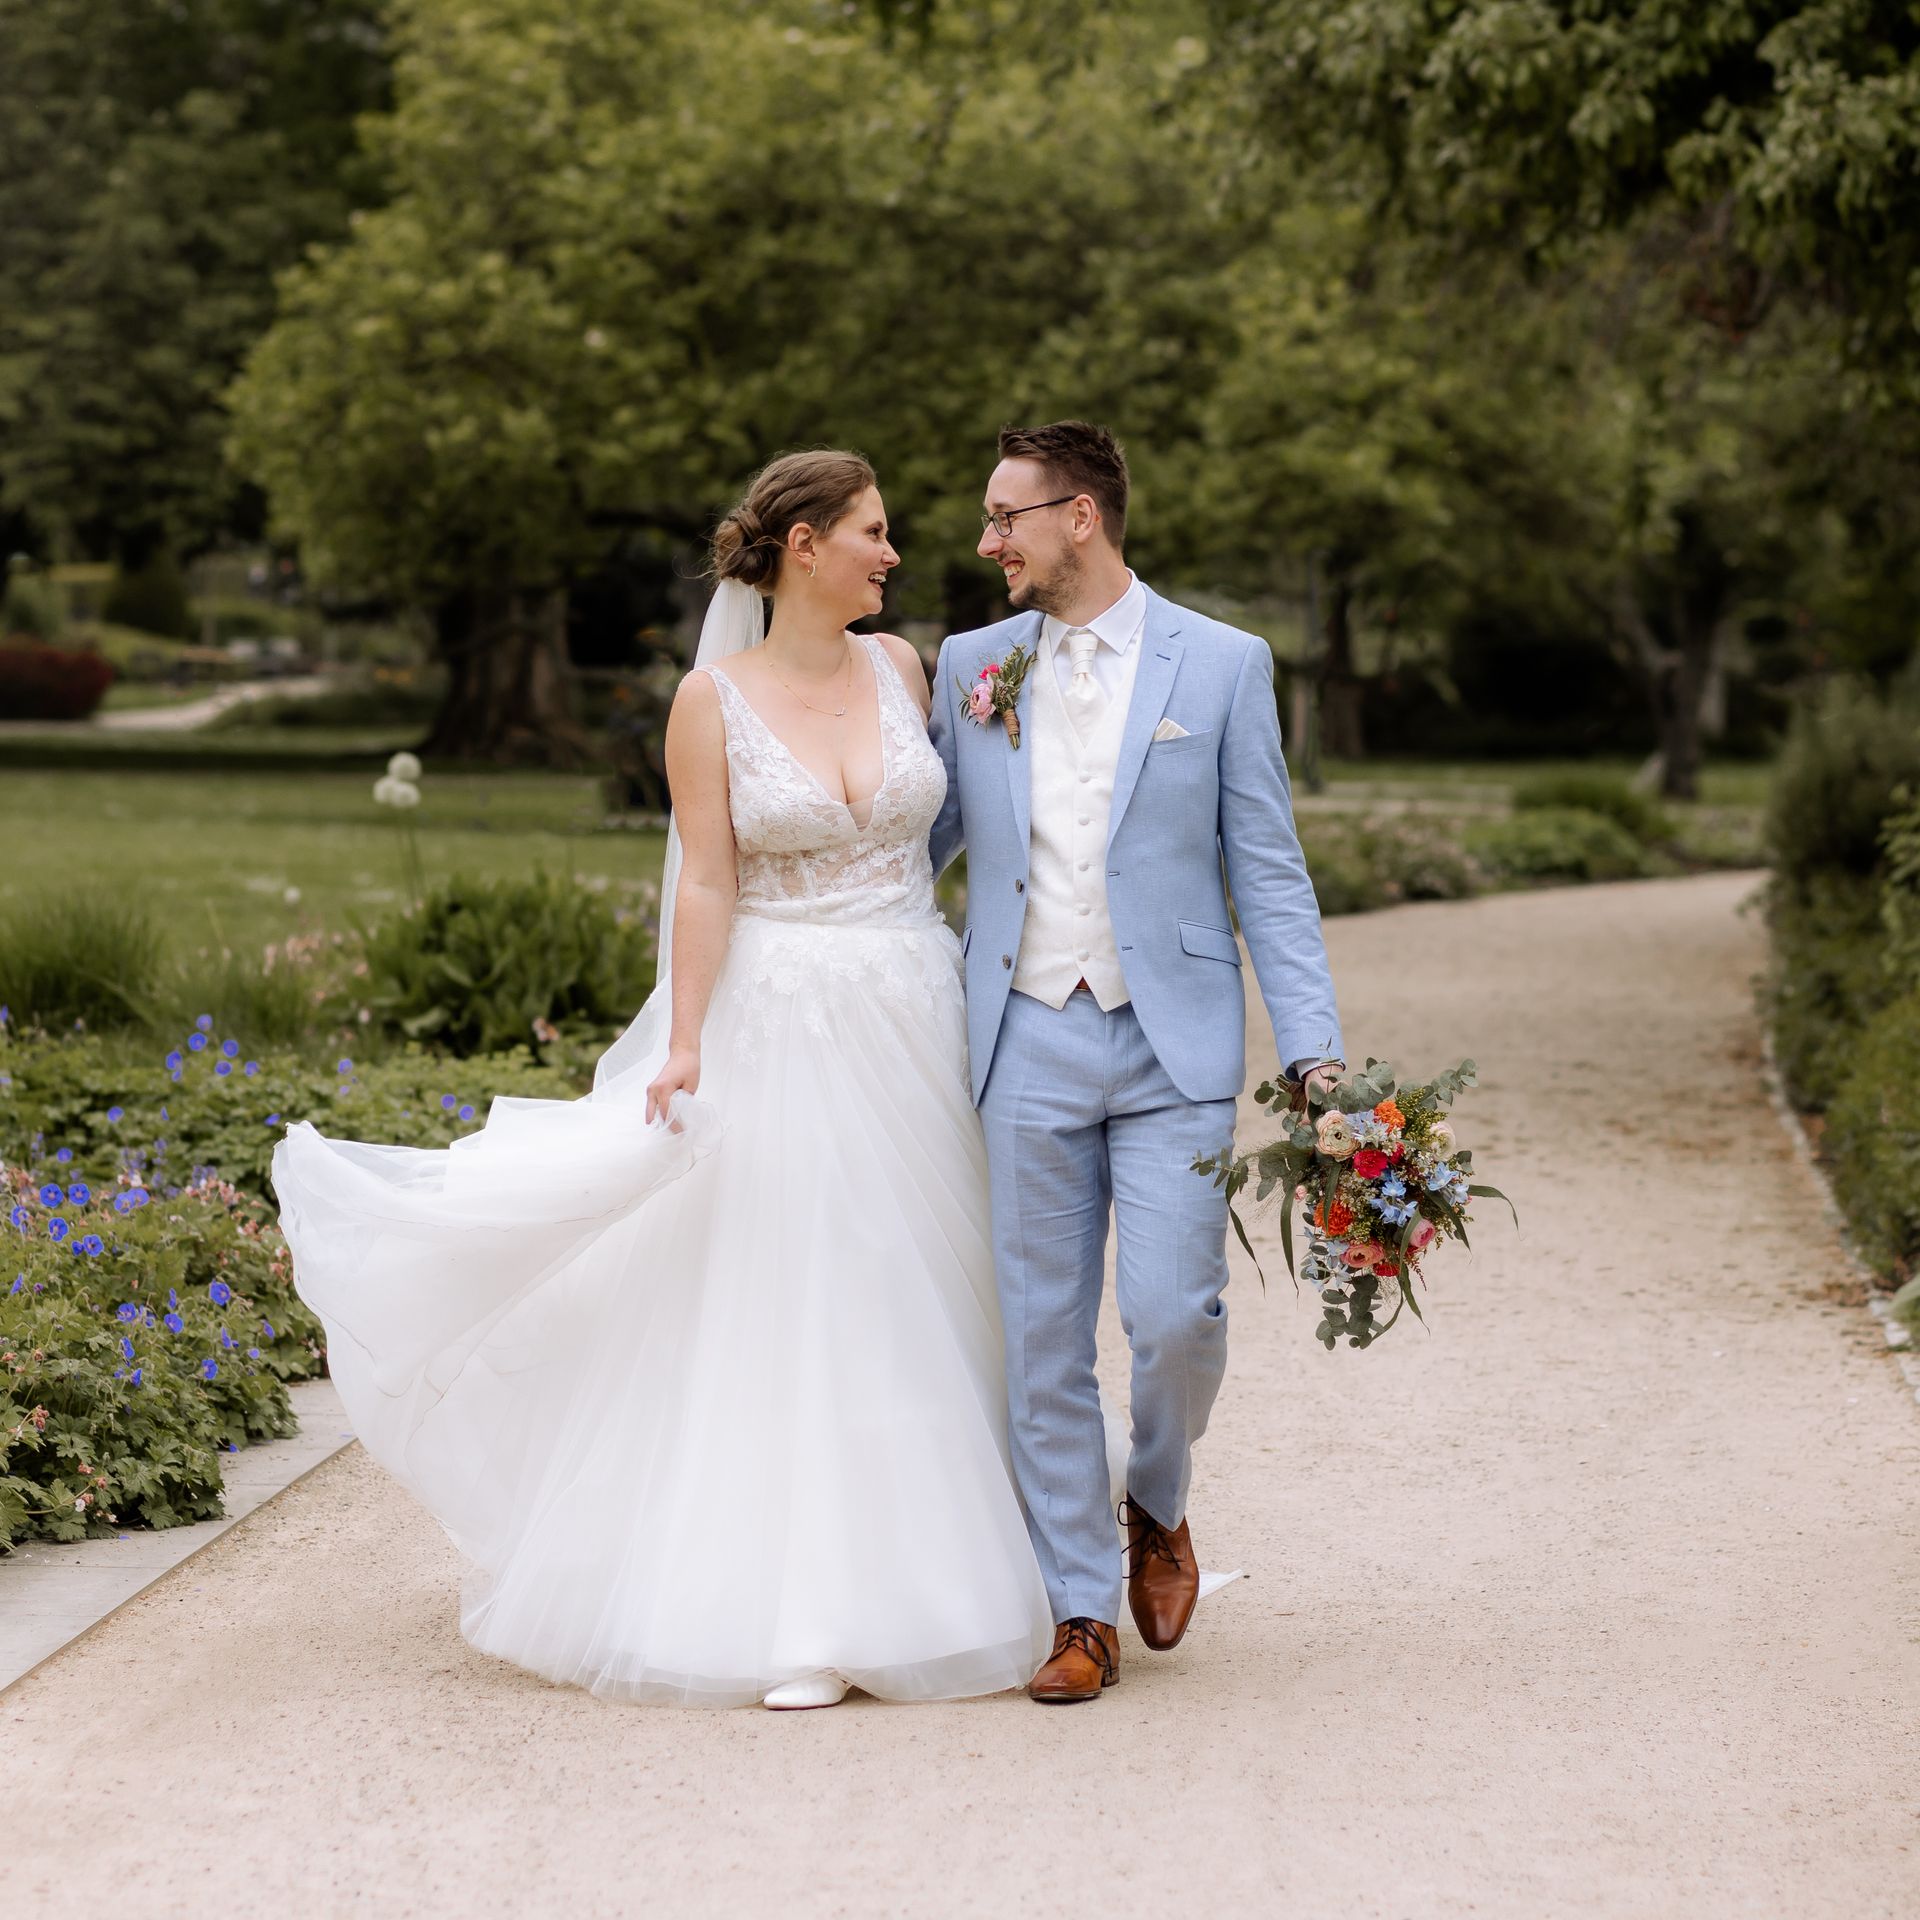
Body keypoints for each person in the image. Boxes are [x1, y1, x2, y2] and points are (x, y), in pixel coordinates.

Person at [272, 450, 1054, 1710]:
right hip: (783, 1021)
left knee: (932, 1291)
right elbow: (706, 878)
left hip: (917, 1011)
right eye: (874, 531)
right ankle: (805, 1614)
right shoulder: (713, 700)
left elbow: (977, 819)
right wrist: (685, 1038)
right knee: (808, 1298)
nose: (894, 554)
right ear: (805, 547)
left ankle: (981, 1570)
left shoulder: (906, 669)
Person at [929, 420, 1344, 1704]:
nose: (986, 541)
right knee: (1044, 1338)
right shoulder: (969, 666)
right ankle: (1077, 1611)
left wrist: (1318, 1062)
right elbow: (913, 834)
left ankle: (1156, 1504)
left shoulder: (1222, 665)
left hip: (1173, 1041)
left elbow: (1267, 873)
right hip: (1022, 1032)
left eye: (1006, 517)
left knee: (1174, 1318)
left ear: (1080, 519)